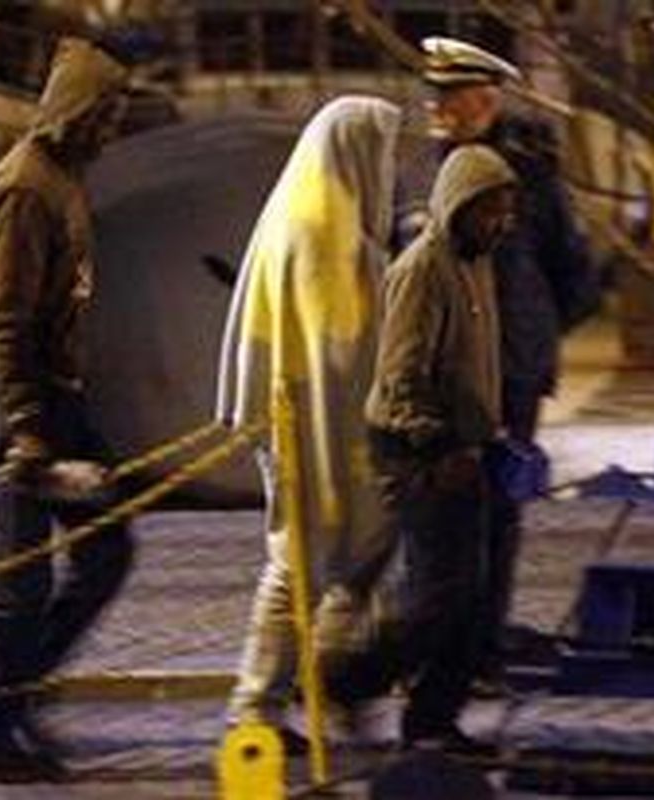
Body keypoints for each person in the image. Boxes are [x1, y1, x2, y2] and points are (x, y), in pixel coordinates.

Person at [0, 37, 133, 782]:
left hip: (50, 399)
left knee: (105, 549)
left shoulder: (60, 175)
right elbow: (6, 324)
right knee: (17, 577)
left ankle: (13, 694)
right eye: (107, 112)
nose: (112, 127)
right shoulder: (26, 188)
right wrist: (26, 426)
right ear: (75, 110)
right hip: (13, 402)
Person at [398, 37, 598, 685]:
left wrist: (529, 347)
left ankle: (476, 649)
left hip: (506, 375)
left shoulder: (520, 174)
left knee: (493, 516)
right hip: (446, 377)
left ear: (482, 98)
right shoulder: (429, 165)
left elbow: (572, 271)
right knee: (444, 521)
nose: (433, 105)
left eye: (446, 95)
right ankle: (446, 649)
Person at [215, 95, 402, 752]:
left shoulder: (307, 209)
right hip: (316, 427)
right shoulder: (325, 226)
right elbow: (343, 352)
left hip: (307, 418)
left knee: (345, 555)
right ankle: (257, 705)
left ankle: (328, 684)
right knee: (301, 560)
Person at [347, 144, 517, 752]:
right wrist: (437, 444)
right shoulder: (422, 268)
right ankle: (346, 680)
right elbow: (401, 375)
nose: (501, 223)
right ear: (460, 206)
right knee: (438, 599)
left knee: (470, 601)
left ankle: (433, 720)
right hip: (420, 455)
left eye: (505, 210)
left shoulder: (477, 263)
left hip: (465, 454)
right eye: (490, 211)